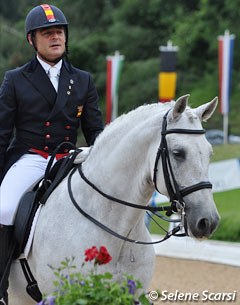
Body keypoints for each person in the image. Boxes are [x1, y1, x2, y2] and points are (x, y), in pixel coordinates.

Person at [0, 4, 104, 304]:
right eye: (47, 33)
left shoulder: (82, 79)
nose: (55, 37)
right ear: (32, 40)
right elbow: (2, 132)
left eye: (59, 31)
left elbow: (96, 131)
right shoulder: (16, 79)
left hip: (70, 157)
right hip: (32, 157)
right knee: (5, 209)